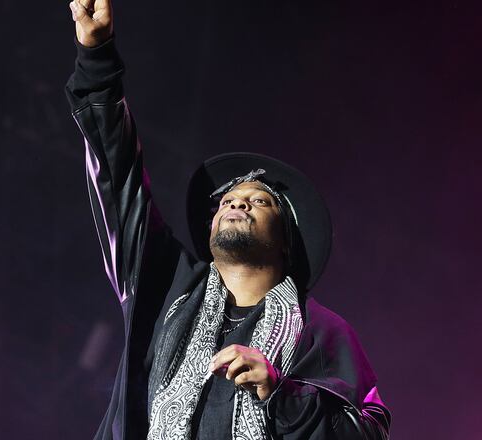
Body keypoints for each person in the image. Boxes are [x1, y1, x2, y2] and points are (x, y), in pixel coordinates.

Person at [65, 0, 391, 438]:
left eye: (260, 201)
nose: (237, 204)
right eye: (229, 200)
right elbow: (118, 177)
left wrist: (281, 392)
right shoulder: (163, 285)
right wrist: (97, 57)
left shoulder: (323, 332)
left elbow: (367, 432)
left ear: (286, 240)